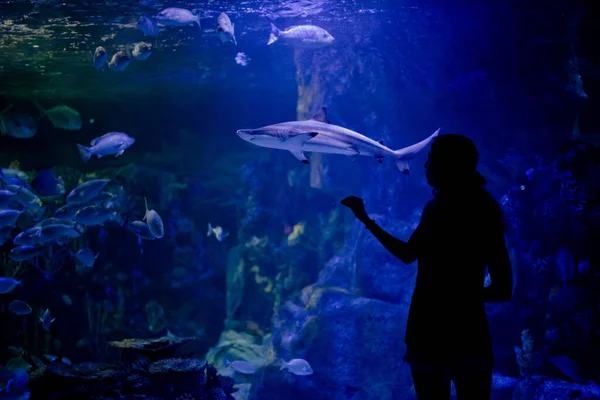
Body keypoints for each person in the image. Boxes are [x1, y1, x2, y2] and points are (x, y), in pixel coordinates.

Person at [341, 134, 512, 400]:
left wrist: (366, 220)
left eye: (431, 160)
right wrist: (465, 297)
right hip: (470, 332)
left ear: (448, 165)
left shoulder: (438, 209)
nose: (425, 166)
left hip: (429, 330)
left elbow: (407, 254)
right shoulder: (485, 209)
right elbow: (503, 287)